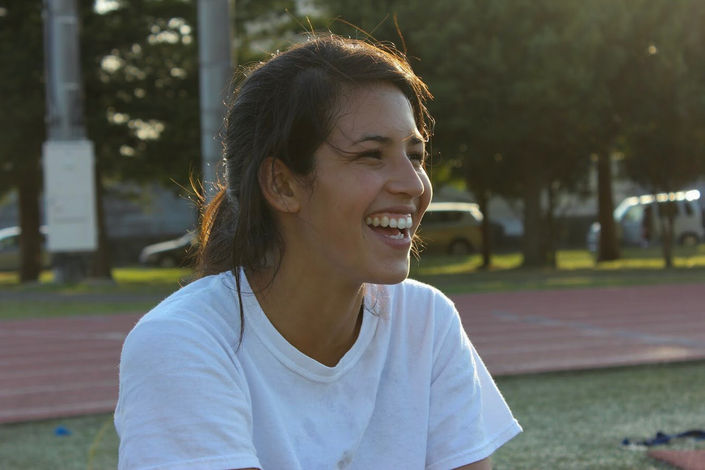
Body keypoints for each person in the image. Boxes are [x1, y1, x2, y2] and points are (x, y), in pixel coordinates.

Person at [114, 34, 521, 470]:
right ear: (282, 185)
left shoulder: (426, 320)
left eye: (416, 155)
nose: (413, 184)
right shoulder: (183, 343)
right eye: (371, 155)